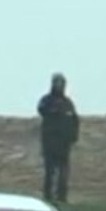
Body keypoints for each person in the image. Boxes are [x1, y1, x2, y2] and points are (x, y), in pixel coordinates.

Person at [37, 72, 80, 204]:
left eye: (61, 84)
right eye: (57, 83)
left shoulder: (68, 103)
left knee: (63, 173)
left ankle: (62, 197)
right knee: (49, 171)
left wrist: (73, 136)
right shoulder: (46, 101)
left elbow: (74, 120)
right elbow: (41, 110)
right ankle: (48, 196)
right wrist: (53, 111)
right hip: (50, 143)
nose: (59, 86)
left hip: (64, 144)